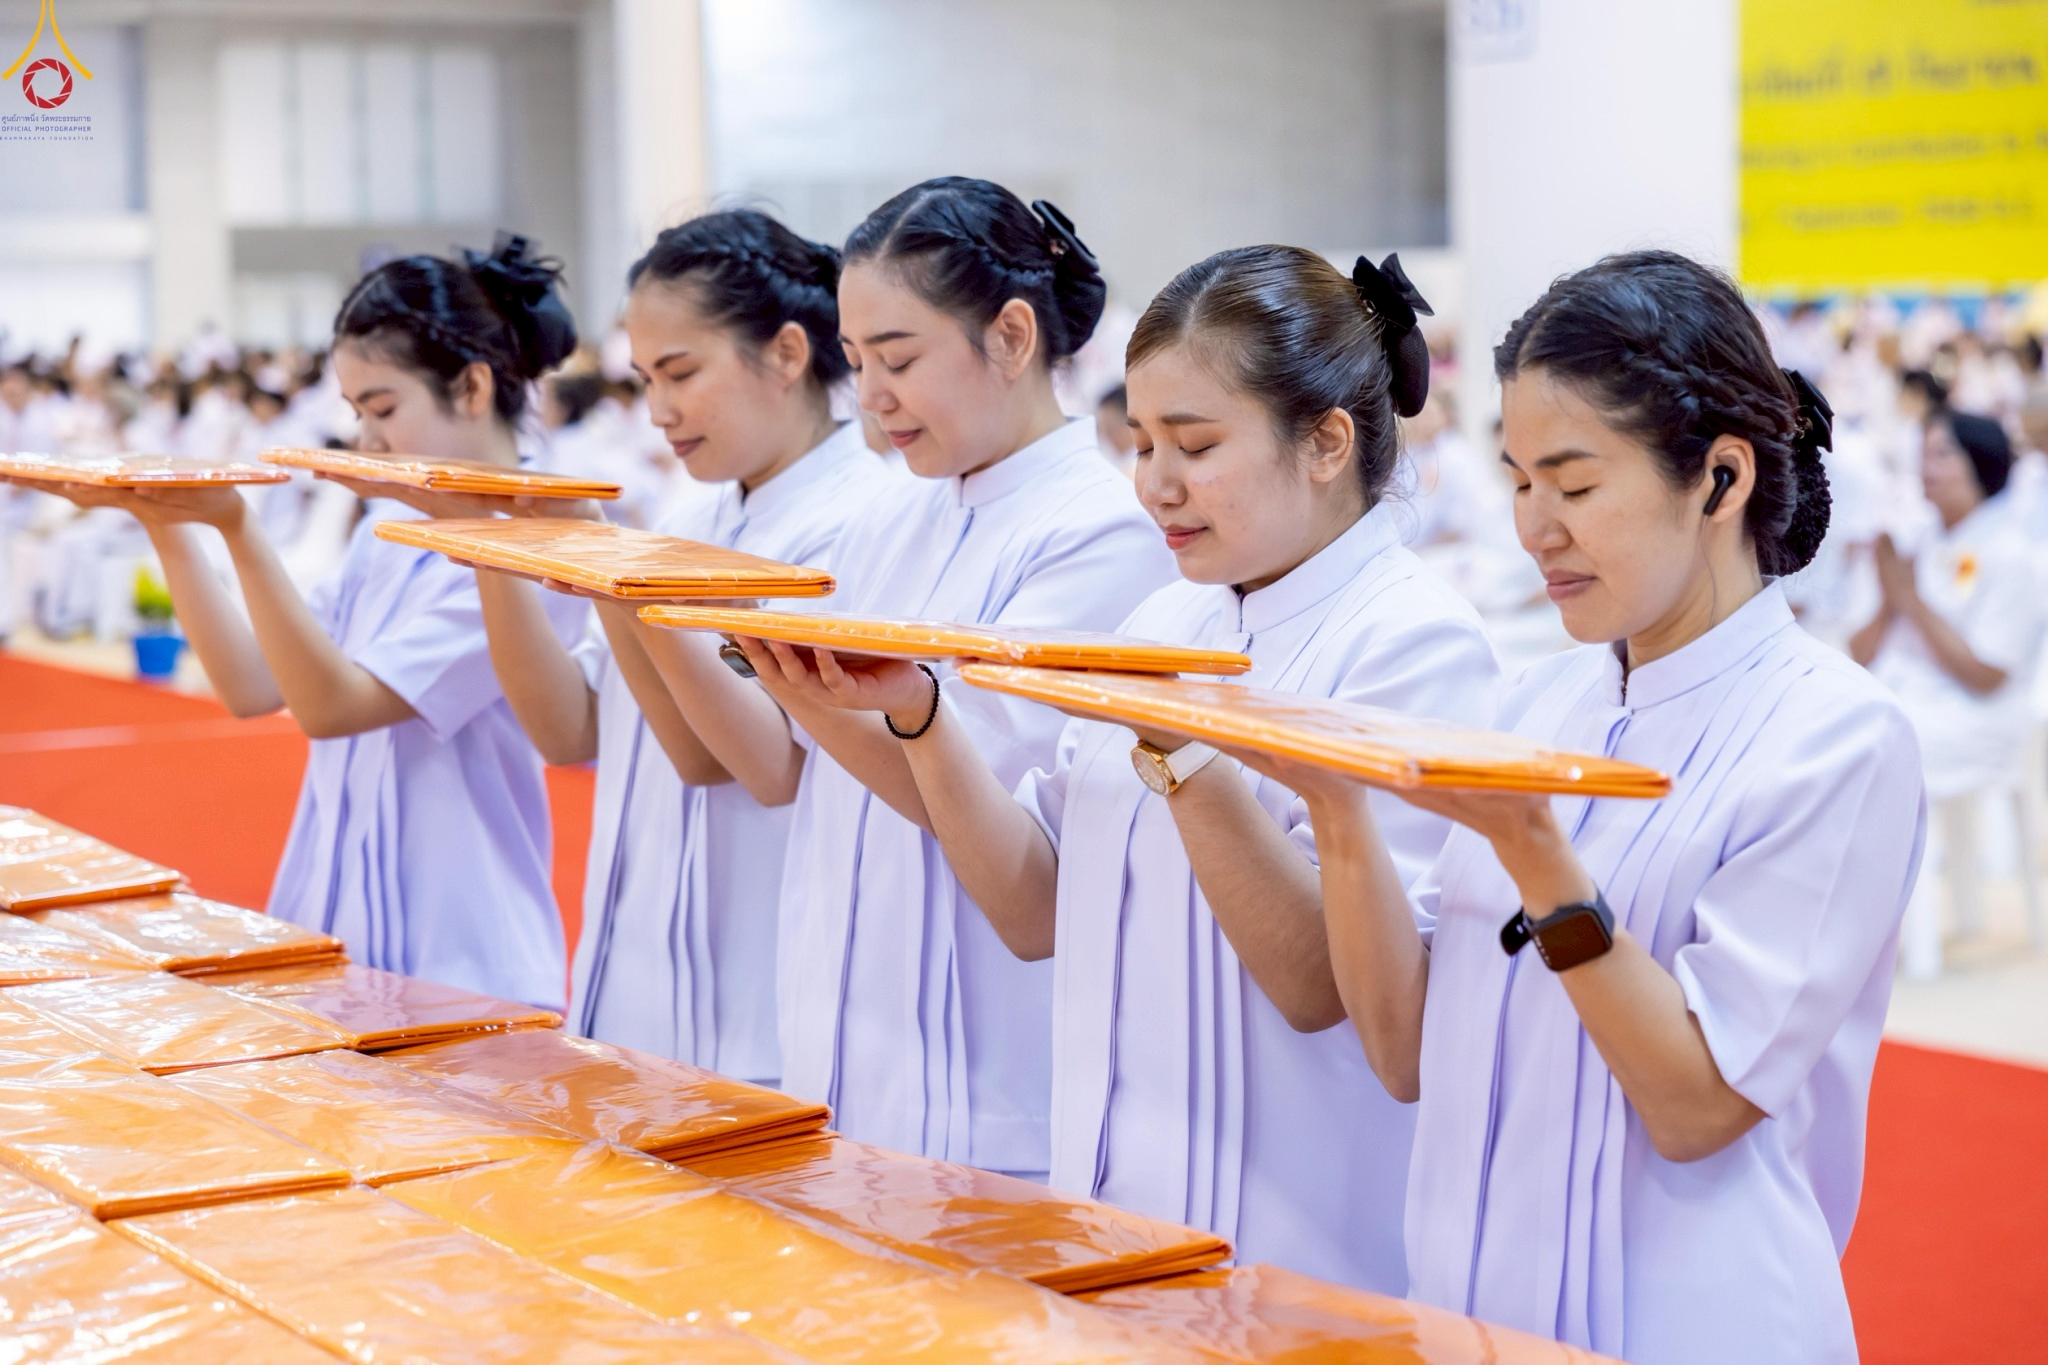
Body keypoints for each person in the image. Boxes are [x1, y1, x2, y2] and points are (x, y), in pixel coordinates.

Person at [758, 246, 1498, 1289]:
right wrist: (918, 716)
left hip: (1293, 1245)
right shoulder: (1164, 617)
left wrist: (1184, 741)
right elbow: (1032, 910)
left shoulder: (1413, 642)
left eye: (1193, 446)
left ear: (1326, 442)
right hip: (1110, 1211)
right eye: (1141, 443)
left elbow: (1319, 987)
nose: (1154, 483)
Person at [1241, 252, 1923, 1363]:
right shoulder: (1534, 702)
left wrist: (1534, 853)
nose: (1532, 528)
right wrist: (1338, 812)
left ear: (1718, 479)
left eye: (1573, 482)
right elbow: (1409, 1052)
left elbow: (1699, 1109)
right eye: (1516, 480)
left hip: (1693, 1322)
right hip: (1471, 1307)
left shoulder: (1835, 736)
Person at [725, 178, 1176, 1178]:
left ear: (1010, 338)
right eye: (854, 362)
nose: (870, 395)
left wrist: (788, 668)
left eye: (896, 357)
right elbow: (805, 759)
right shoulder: (888, 513)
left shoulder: (1096, 529)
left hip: (980, 1088)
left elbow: (965, 789)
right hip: (836, 1046)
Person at [5, 237, 586, 1007]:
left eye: (382, 410)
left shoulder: (539, 544)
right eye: (355, 414)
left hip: (465, 955)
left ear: (472, 388)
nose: (368, 442)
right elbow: (251, 685)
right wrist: (170, 520)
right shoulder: (387, 534)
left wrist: (239, 527)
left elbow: (333, 707)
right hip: (337, 918)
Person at [418, 211, 896, 1082]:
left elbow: (750, 764)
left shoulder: (864, 522)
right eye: (644, 380)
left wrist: (627, 579)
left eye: (681, 373)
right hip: (635, 973)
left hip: (762, 1006)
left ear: (788, 354)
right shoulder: (690, 517)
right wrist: (496, 545)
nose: (660, 412)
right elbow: (573, 730)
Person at [1853, 409, 2040, 977]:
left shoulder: (2015, 555)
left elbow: (1987, 676)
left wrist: (1910, 600)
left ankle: (1876, 935)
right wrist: (1890, 595)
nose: (1925, 469)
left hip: (1980, 718)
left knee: (1868, 754)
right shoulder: (1920, 540)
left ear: (1979, 467)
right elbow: (1861, 654)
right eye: (1924, 453)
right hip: (1911, 701)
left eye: (1941, 455)